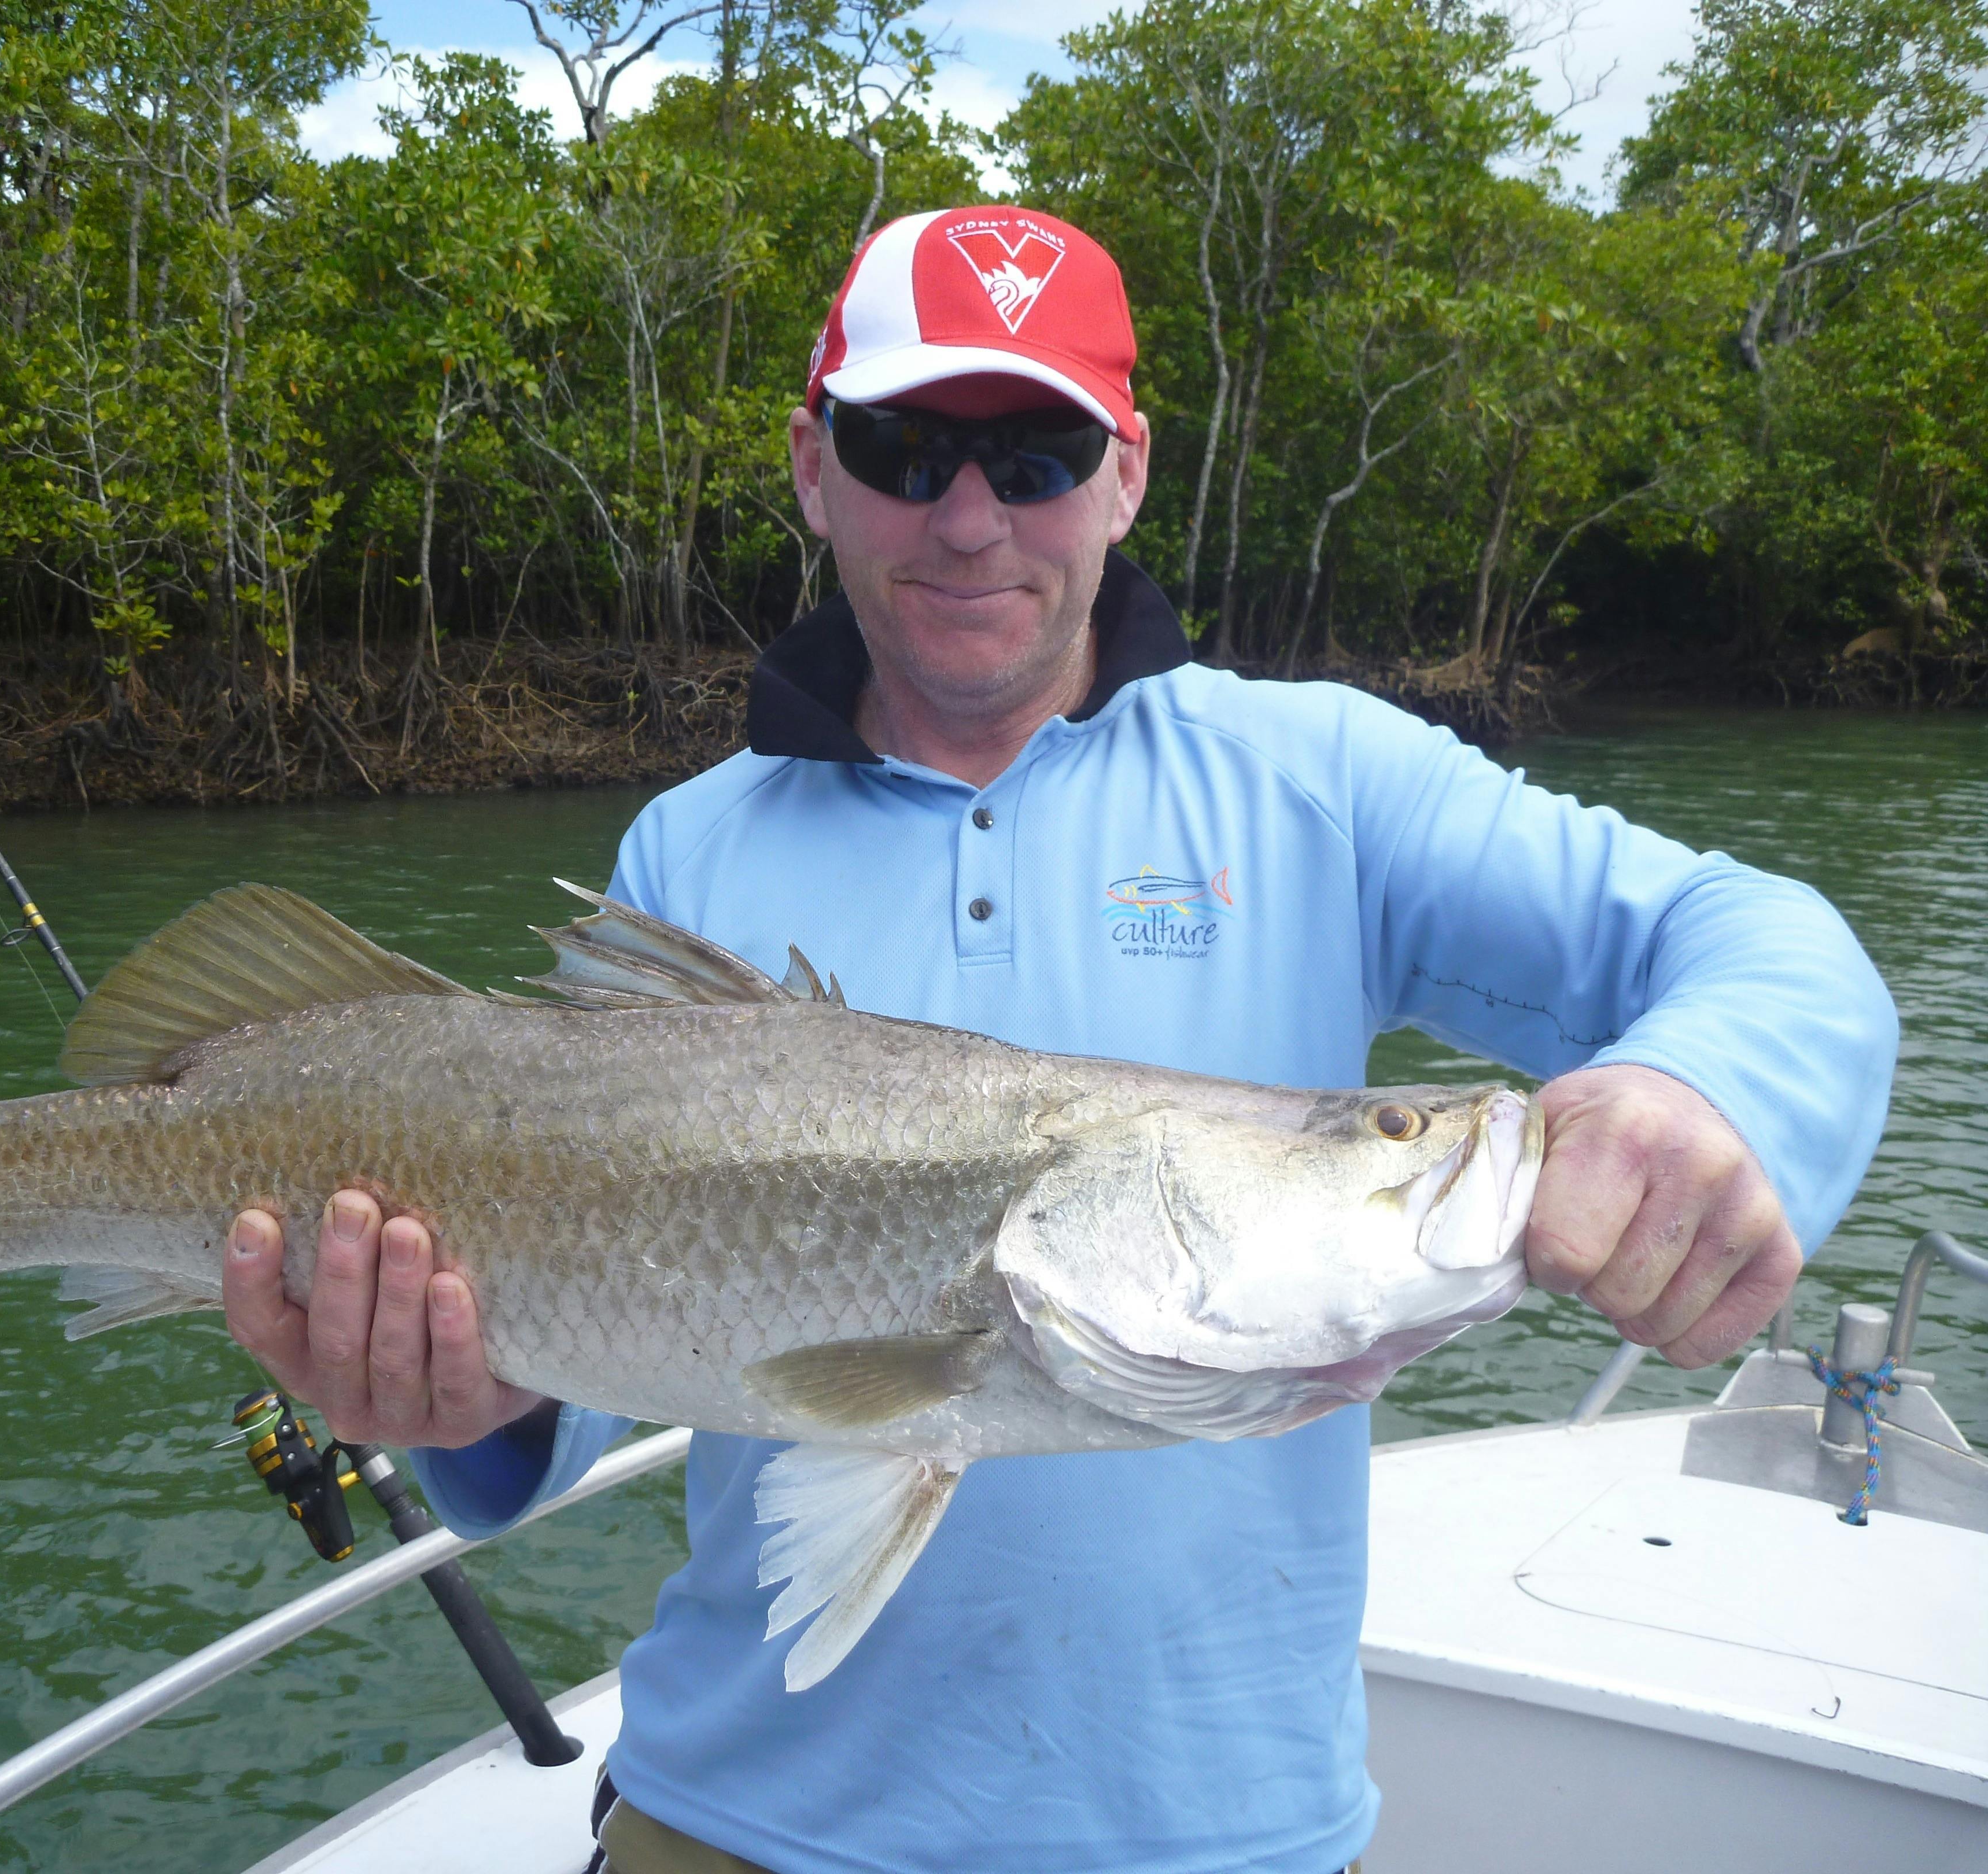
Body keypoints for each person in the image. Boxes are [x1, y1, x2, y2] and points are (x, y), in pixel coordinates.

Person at [221, 208, 1897, 1874]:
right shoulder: (690, 848)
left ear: (1126, 475)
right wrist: (464, 1401)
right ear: (814, 469)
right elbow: (602, 1354)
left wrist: (1705, 1092)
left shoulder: (1325, 779)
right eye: (905, 447)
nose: (969, 518)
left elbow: (1774, 950)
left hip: (1229, 1841)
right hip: (730, 1826)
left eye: (1034, 453)